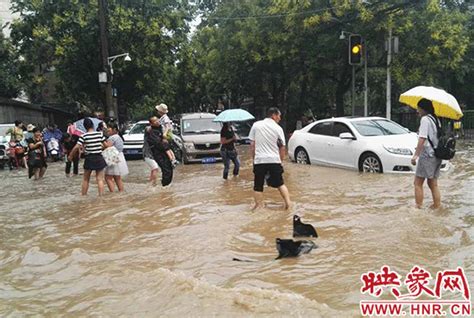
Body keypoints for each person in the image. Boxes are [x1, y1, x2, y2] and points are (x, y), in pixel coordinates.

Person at [249, 107, 291, 210]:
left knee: (258, 186)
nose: (280, 118)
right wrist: (280, 161)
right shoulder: (278, 128)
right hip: (274, 160)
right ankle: (288, 204)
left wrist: (254, 159)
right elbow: (282, 147)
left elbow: (252, 145)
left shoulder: (256, 125)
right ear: (274, 115)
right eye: (279, 116)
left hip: (260, 160)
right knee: (280, 184)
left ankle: (258, 207)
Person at [411, 98, 442, 209]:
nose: (417, 111)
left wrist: (416, 155)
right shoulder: (436, 119)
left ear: (423, 108)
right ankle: (437, 206)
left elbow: (422, 138)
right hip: (436, 155)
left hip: (427, 156)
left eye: (418, 108)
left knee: (417, 183)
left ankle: (418, 207)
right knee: (433, 184)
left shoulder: (425, 119)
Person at [70, 117, 107, 196]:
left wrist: (70, 155)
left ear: (84, 126)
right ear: (93, 125)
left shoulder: (83, 136)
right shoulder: (100, 134)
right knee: (99, 179)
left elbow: (76, 147)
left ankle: (84, 196)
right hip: (99, 157)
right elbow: (106, 145)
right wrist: (99, 147)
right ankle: (101, 196)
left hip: (89, 158)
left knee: (86, 179)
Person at [145, 116, 173, 187]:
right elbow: (158, 143)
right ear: (151, 123)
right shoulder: (151, 132)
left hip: (163, 151)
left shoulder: (160, 128)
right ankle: (164, 185)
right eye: (155, 121)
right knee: (165, 169)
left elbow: (167, 127)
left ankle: (167, 185)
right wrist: (165, 144)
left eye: (157, 120)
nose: (157, 121)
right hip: (158, 153)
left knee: (169, 168)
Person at [104, 122, 128, 192]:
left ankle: (112, 193)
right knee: (117, 177)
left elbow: (107, 146)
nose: (107, 131)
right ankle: (121, 191)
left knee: (108, 177)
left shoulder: (112, 137)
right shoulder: (118, 136)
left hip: (113, 157)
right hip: (120, 157)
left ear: (114, 129)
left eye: (109, 130)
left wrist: (102, 142)